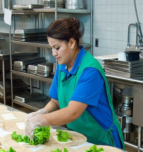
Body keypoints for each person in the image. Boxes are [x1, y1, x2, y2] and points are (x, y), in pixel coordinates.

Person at [24, 17, 125, 149]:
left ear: (71, 43)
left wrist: (43, 121)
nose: (54, 53)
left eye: (57, 47)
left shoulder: (90, 70)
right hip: (77, 137)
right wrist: (42, 112)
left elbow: (73, 112)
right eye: (51, 48)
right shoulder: (62, 65)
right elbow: (56, 102)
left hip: (100, 139)